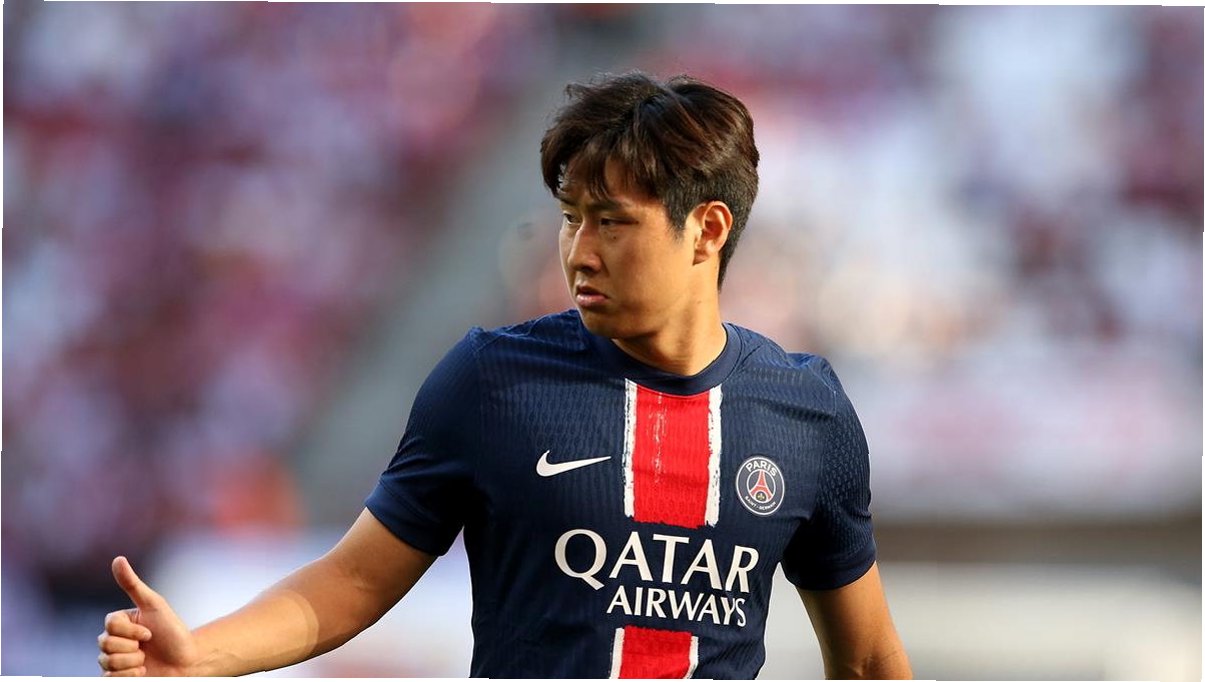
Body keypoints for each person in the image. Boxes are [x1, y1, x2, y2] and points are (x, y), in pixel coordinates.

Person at [98, 71, 912, 679]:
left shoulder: (807, 412)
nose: (578, 252)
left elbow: (868, 661)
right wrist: (200, 655)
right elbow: (351, 583)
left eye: (611, 222)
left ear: (706, 230)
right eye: (570, 218)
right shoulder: (493, 381)